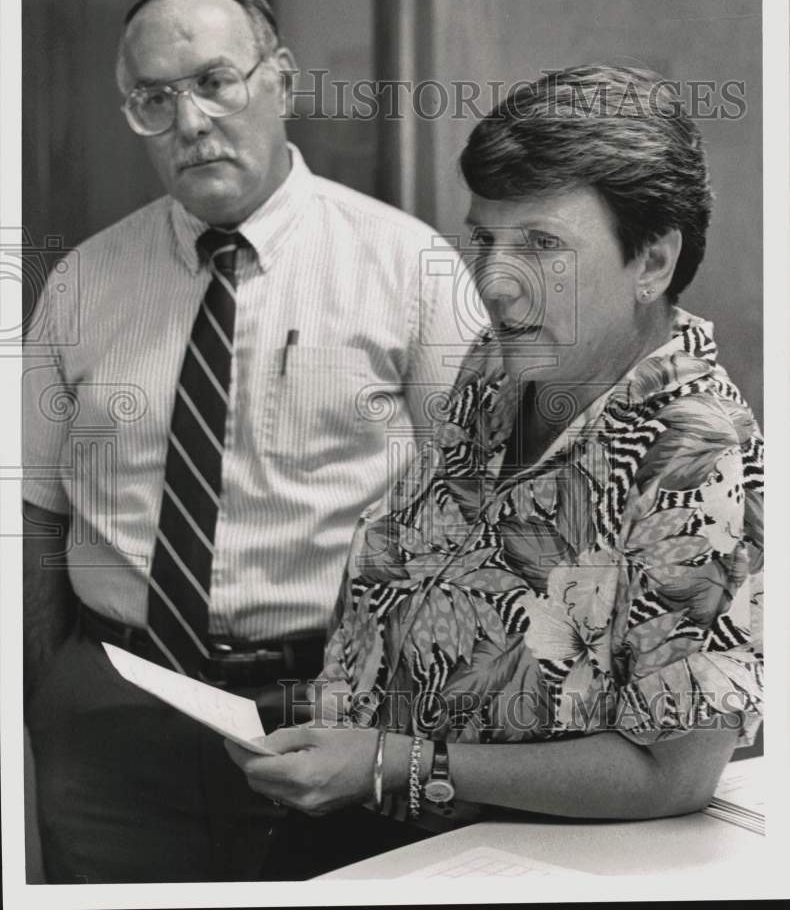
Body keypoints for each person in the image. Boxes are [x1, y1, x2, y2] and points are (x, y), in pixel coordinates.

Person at [227, 65, 764, 868]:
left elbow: (673, 774)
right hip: (370, 835)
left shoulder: (694, 448)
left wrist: (391, 764)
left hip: (523, 867)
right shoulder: (501, 364)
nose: (493, 283)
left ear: (651, 262)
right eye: (485, 239)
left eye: (541, 244)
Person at [22, 0, 464, 883]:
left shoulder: (410, 267)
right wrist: (34, 700)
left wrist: (402, 721)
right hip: (117, 716)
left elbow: (475, 520)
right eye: (154, 98)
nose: (189, 120)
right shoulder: (81, 284)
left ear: (282, 80)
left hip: (333, 709)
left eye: (215, 80)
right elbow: (32, 513)